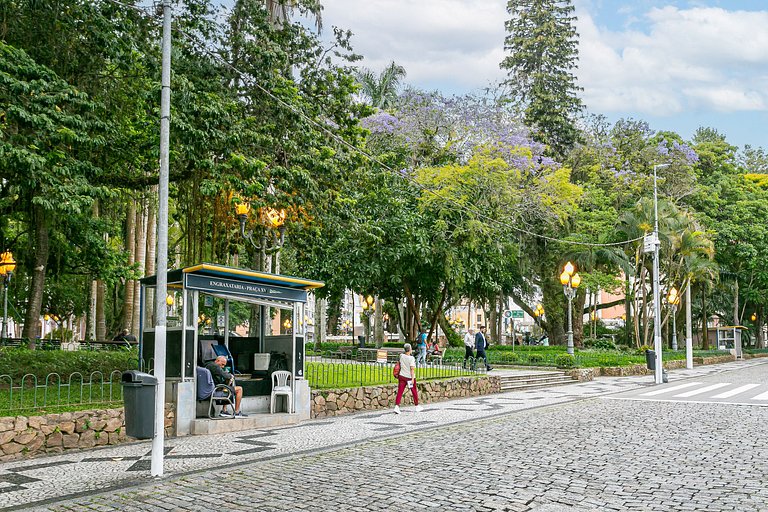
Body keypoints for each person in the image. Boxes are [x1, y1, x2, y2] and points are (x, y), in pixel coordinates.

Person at [394, 343, 422, 414]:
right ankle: (417, 406)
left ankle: (396, 407)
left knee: (400, 391)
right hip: (409, 378)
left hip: (402, 376)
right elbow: (412, 369)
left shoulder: (401, 356)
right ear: (410, 350)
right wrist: (412, 379)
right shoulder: (411, 358)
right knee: (414, 391)